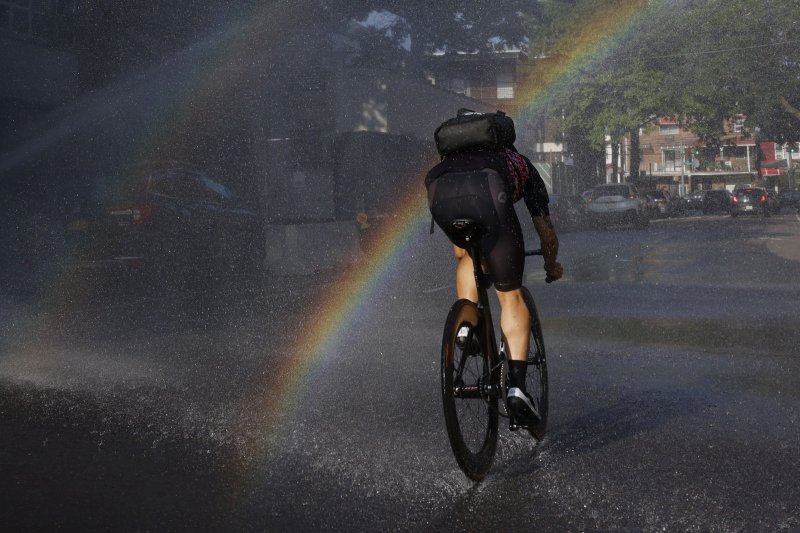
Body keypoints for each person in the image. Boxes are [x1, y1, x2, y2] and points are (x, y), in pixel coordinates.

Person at [426, 138, 563, 427]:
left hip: (439, 190)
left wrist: (476, 255)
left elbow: (460, 250)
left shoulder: (448, 162)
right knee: (510, 295)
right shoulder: (518, 164)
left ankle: (468, 324)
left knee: (466, 257)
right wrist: (552, 266)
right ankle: (516, 388)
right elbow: (546, 234)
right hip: (489, 194)